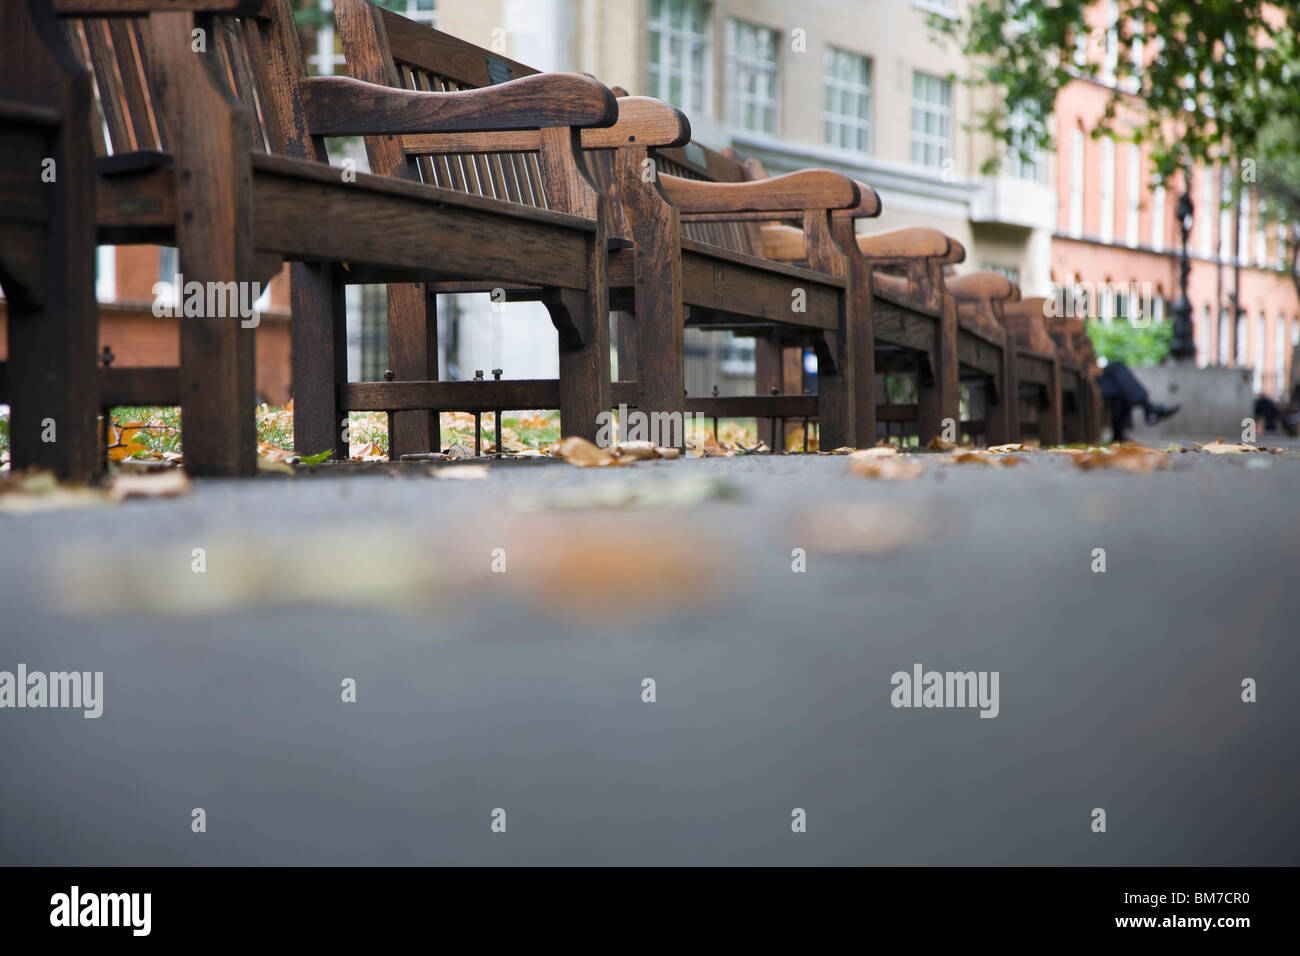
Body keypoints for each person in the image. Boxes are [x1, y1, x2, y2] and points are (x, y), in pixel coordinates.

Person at [1096, 360, 1179, 442]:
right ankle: (1149, 408)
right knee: (1117, 369)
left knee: (1120, 388)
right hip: (1090, 380)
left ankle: (1148, 409)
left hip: (1097, 379)